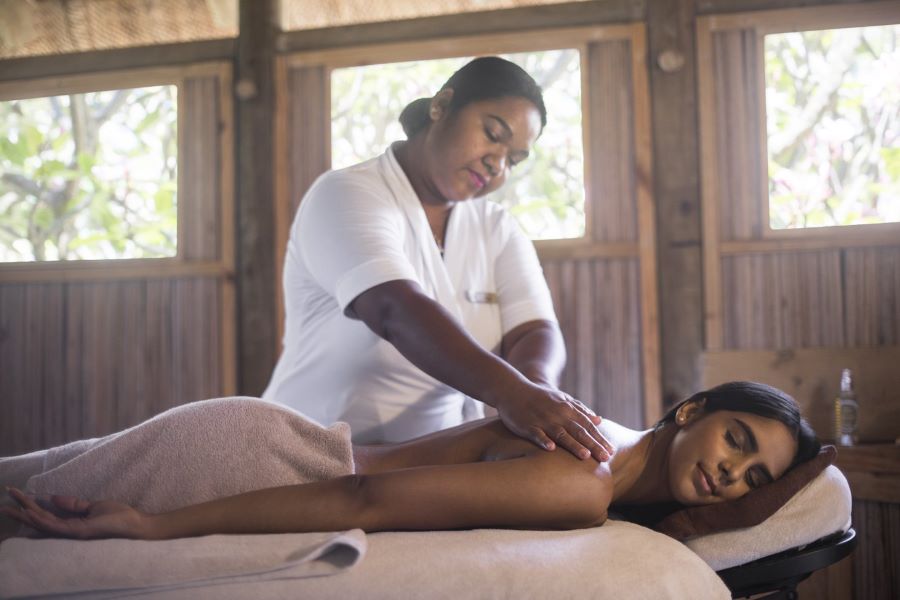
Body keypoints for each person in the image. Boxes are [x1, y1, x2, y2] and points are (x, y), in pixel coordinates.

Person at [262, 56, 612, 462]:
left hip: (429, 463)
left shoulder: (496, 227)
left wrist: (536, 394)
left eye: (513, 159)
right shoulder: (345, 194)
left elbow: (534, 330)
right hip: (306, 454)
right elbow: (395, 308)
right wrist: (511, 393)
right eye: (492, 133)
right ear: (441, 106)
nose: (497, 163)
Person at [3, 381, 820, 540]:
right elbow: (362, 499)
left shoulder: (593, 428)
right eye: (737, 441)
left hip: (259, 434)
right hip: (264, 464)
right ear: (691, 412)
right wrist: (154, 528)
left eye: (752, 479)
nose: (730, 475)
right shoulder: (584, 483)